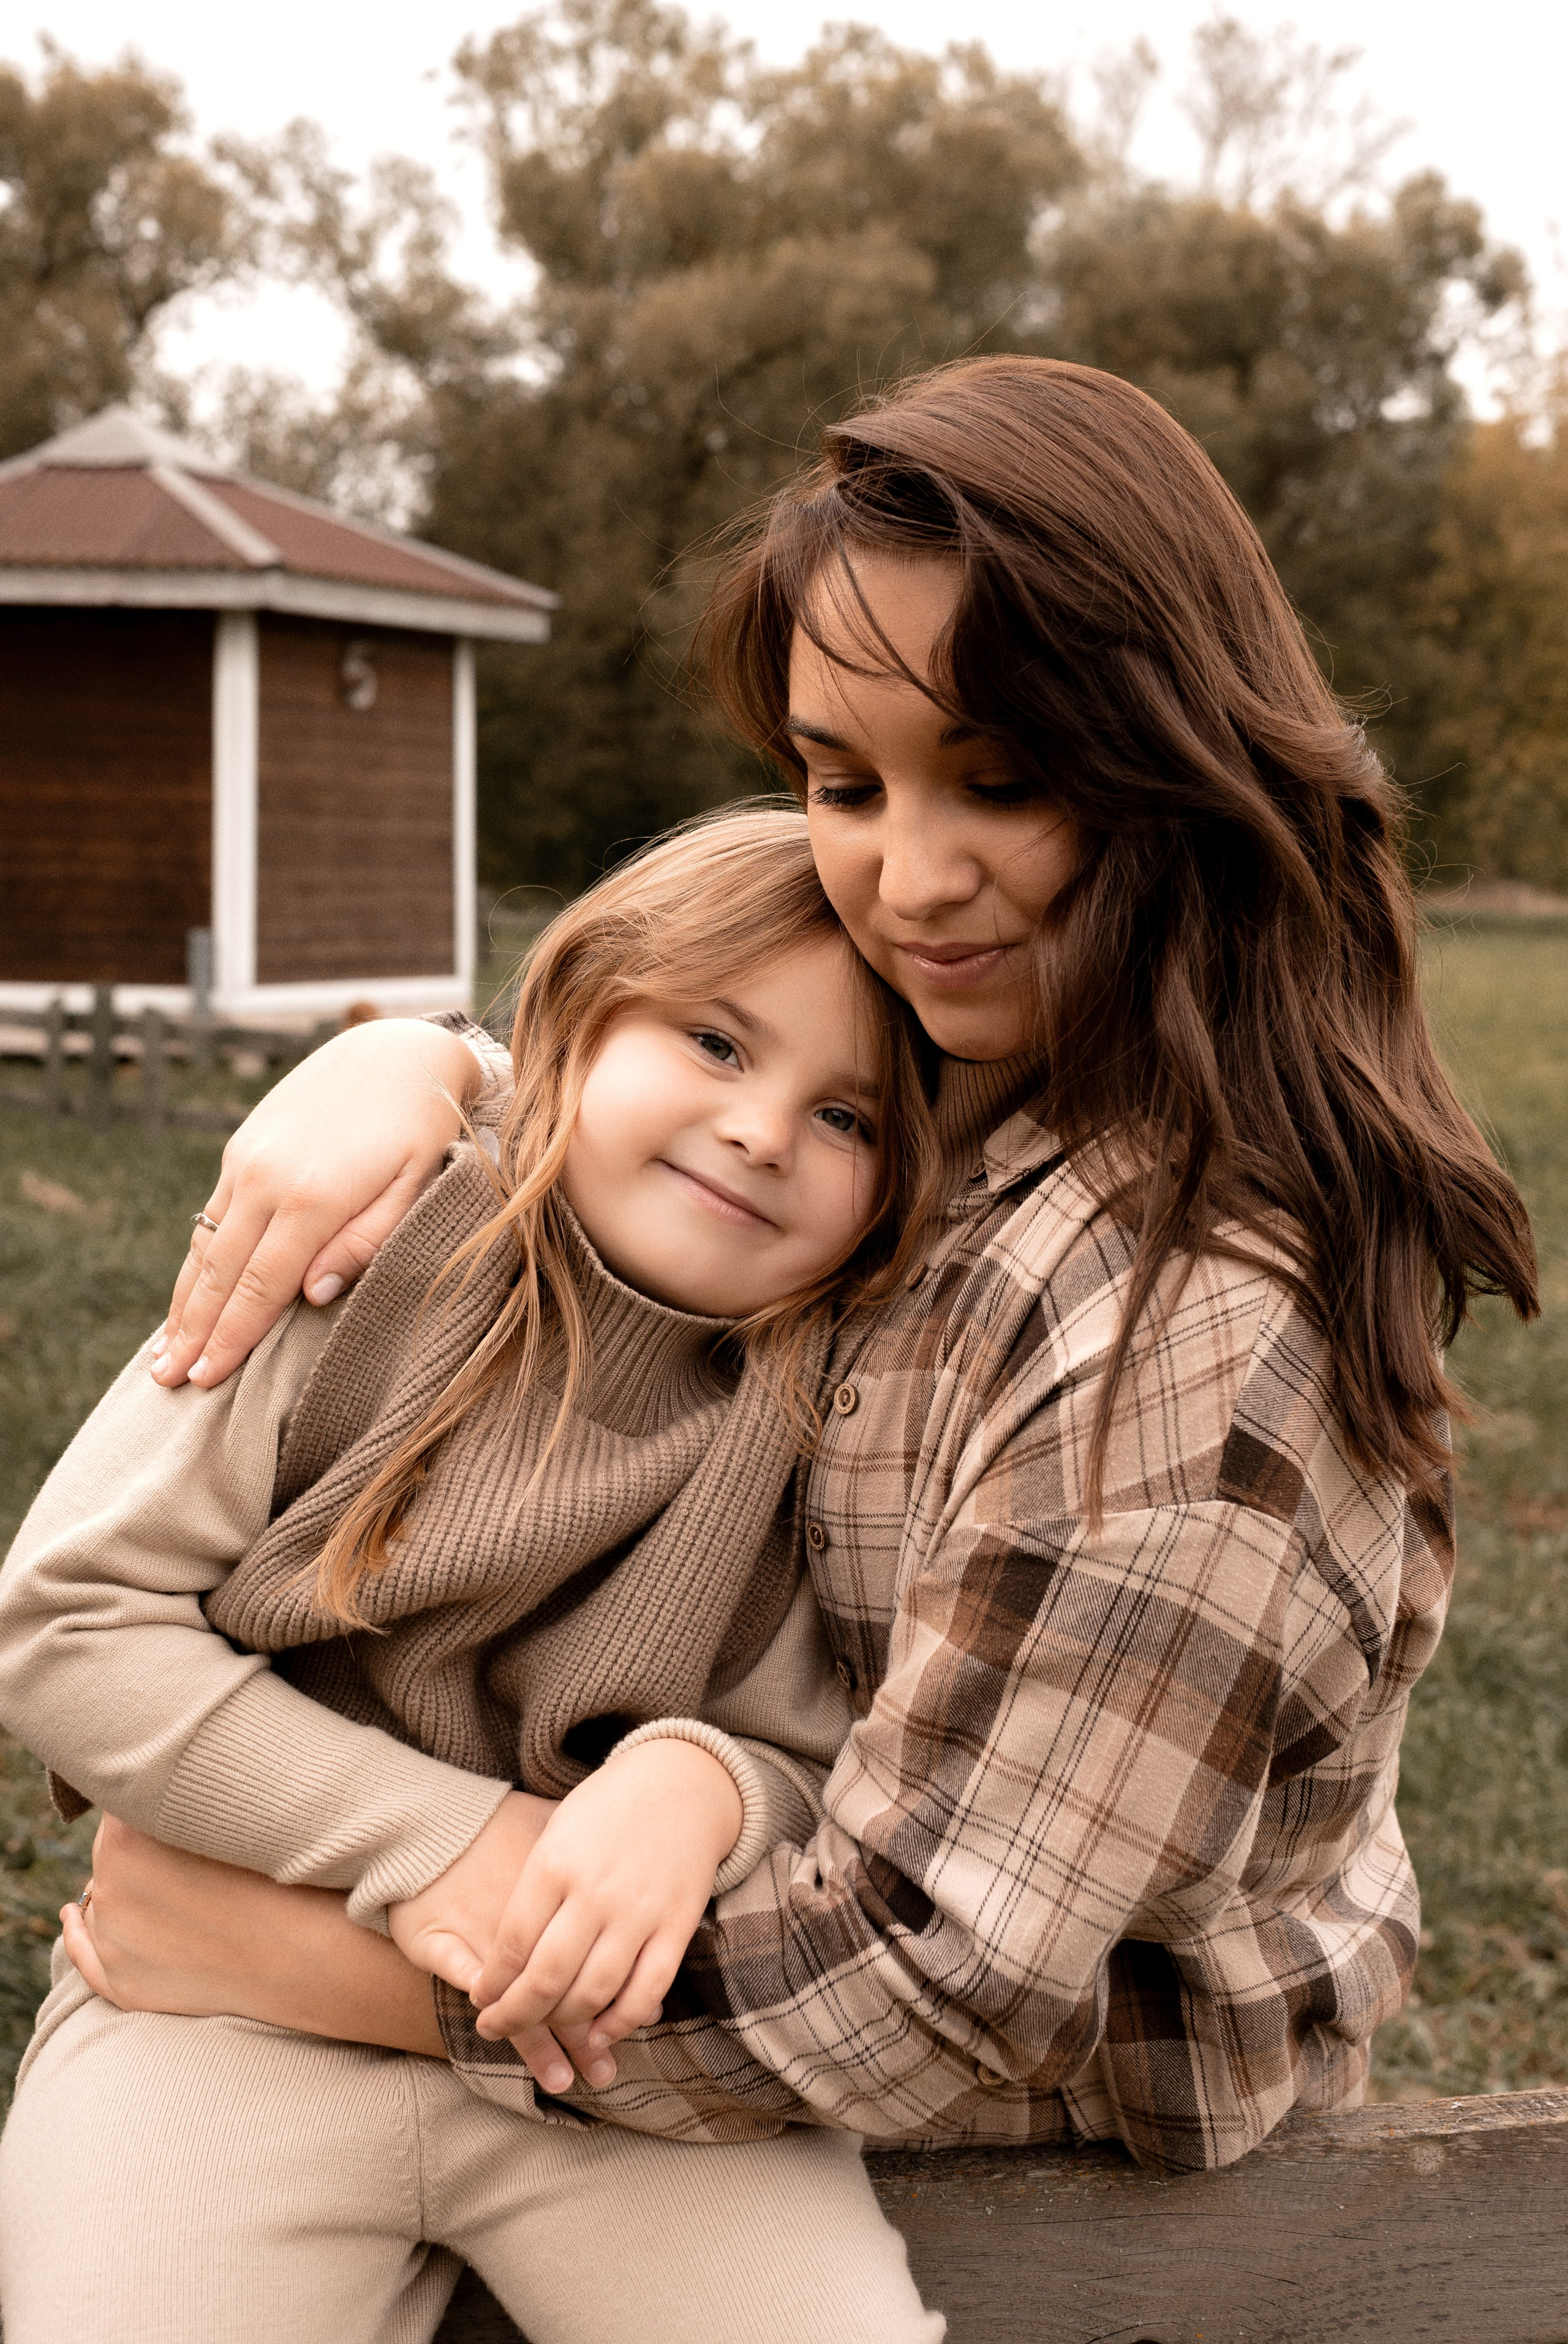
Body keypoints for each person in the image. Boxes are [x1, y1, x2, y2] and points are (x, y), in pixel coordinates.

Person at [4, 355, 1539, 2282]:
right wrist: (427, 1065)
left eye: (1004, 778)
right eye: (843, 782)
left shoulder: (1195, 1334)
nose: (909, 878)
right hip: (608, 1978)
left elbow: (929, 1987)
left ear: (1171, 751)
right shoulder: (1015, 1049)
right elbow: (696, 1079)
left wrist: (360, 1962)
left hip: (992, 2080)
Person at [0, 810, 950, 2344]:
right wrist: (445, 1843)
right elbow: (65, 1624)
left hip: (598, 2063)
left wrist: (705, 1785)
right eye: (715, 1041)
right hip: (215, 1996)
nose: (763, 1129)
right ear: (583, 1009)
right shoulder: (359, 1251)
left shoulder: (831, 1407)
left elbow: (818, 1752)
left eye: (848, 1120)